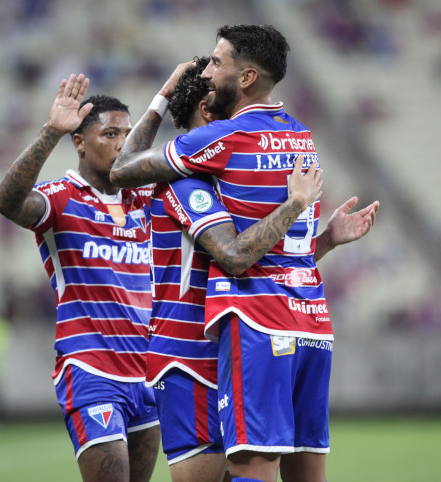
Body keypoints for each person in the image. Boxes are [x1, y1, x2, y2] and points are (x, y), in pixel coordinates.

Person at [111, 25, 379, 482]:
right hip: (308, 320)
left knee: (251, 468)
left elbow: (122, 170)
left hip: (244, 325)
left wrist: (163, 94)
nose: (209, 71)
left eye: (217, 62)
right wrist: (325, 240)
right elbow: (278, 257)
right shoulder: (301, 136)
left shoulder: (218, 145)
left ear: (248, 77)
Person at [0, 75, 160, 482]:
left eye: (126, 133)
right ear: (81, 143)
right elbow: (6, 202)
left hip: (148, 371)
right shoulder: (60, 198)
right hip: (92, 371)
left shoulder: (146, 200)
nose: (121, 143)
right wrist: (52, 130)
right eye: (109, 133)